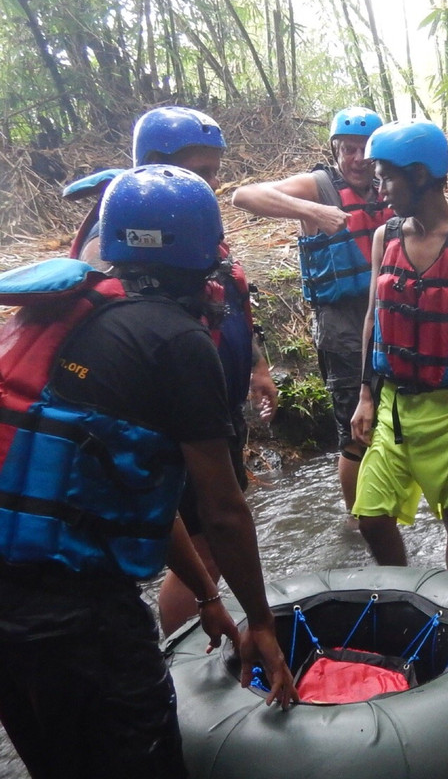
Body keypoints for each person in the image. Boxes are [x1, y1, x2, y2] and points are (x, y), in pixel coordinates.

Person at [0, 165, 297, 779]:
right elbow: (221, 508)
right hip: (75, 619)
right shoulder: (175, 342)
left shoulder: (61, 313)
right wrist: (260, 621)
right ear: (203, 257)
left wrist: (209, 597)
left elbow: (119, 484)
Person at [68, 106, 279, 636]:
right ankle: (190, 650)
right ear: (157, 162)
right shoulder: (120, 243)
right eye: (202, 172)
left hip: (205, 410)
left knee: (206, 547)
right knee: (204, 549)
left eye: (215, 172)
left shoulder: (181, 218)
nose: (212, 184)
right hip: (172, 423)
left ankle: (190, 632)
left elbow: (222, 297)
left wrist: (255, 363)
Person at [350, 119, 448, 575]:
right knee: (371, 515)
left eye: (386, 176)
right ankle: (405, 592)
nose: (380, 188)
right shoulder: (387, 236)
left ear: (419, 175)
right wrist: (366, 395)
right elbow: (373, 319)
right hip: (394, 407)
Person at [233, 107, 393, 519]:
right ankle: (359, 522)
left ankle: (385, 509)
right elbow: (244, 196)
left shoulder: (388, 186)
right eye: (347, 150)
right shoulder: (319, 185)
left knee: (390, 422)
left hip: (388, 322)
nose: (356, 159)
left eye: (364, 150)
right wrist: (311, 212)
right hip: (341, 326)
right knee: (354, 431)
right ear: (336, 150)